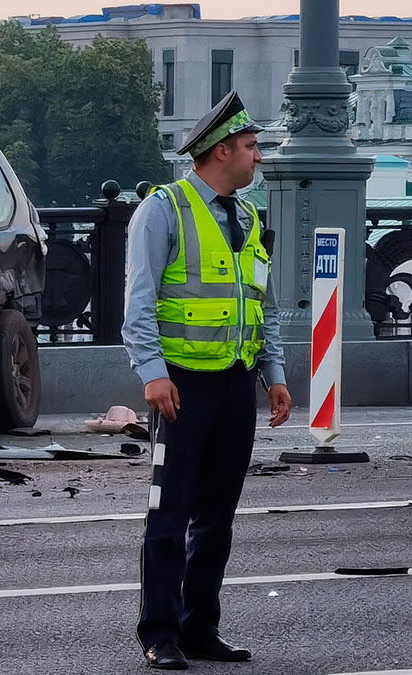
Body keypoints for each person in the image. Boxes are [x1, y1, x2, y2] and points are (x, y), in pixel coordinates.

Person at [122, 91, 292, 670]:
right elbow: (139, 302)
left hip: (235, 385)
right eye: (251, 147)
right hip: (181, 386)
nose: (257, 158)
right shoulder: (163, 209)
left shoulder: (246, 217)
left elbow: (257, 303)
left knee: (217, 516)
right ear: (221, 152)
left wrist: (274, 373)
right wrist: (152, 374)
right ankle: (160, 633)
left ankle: (200, 630)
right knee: (169, 513)